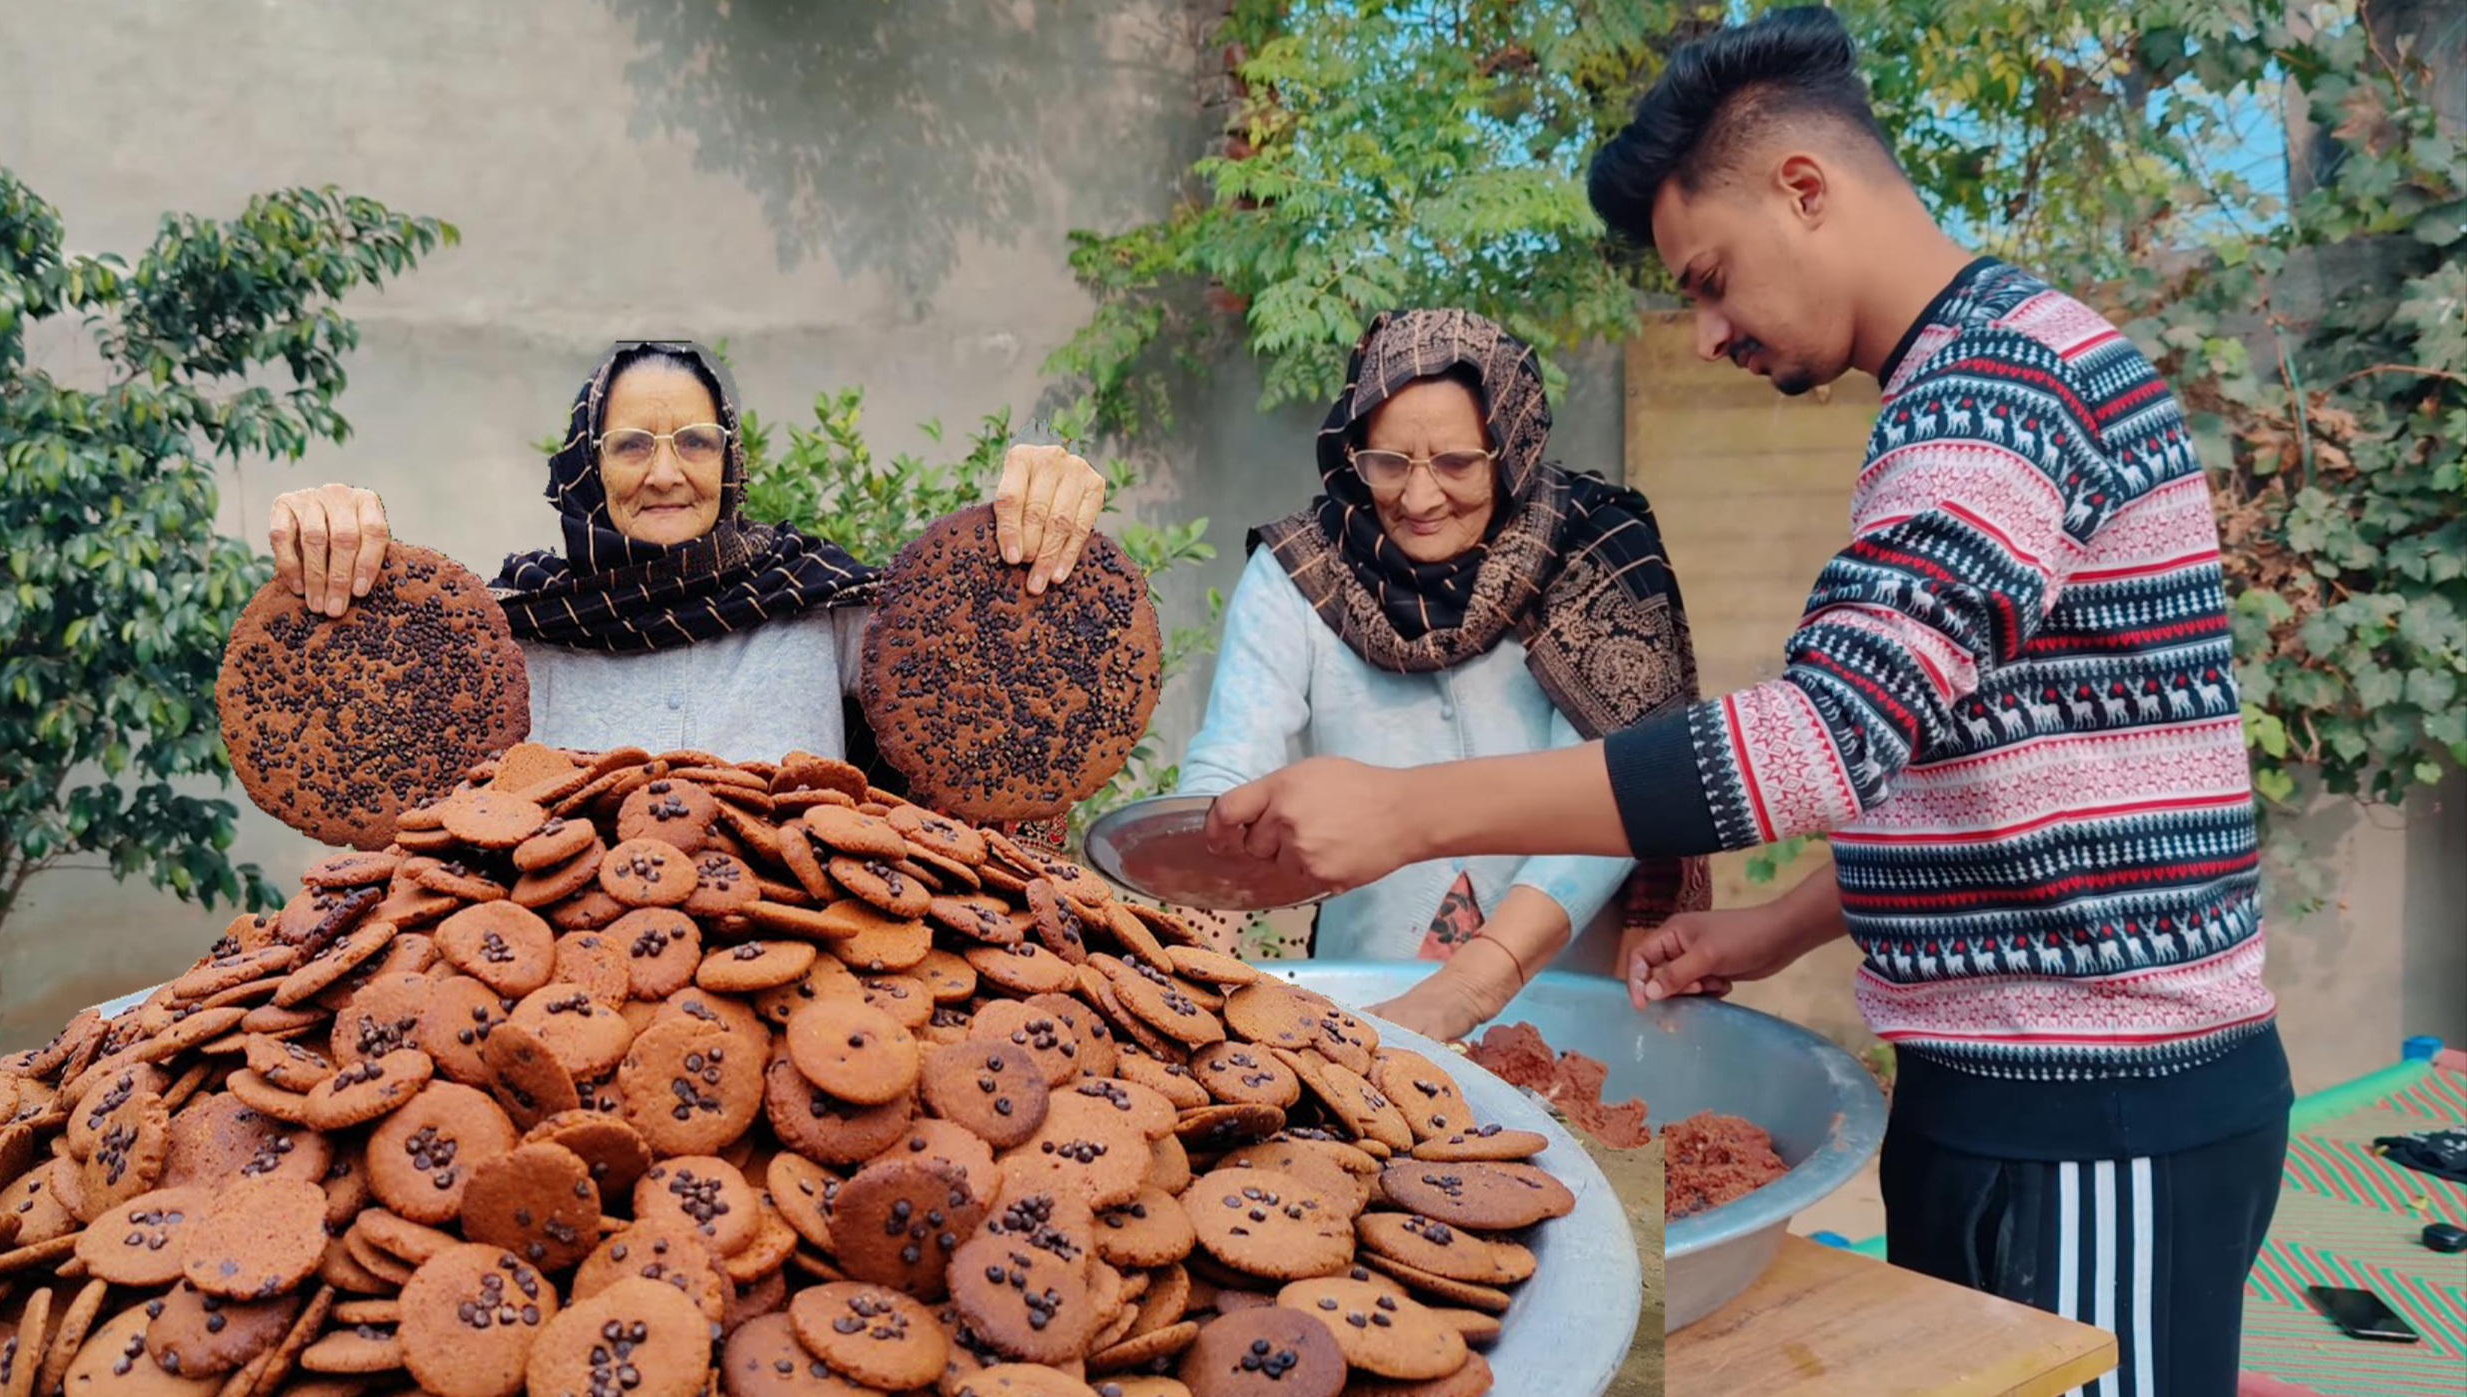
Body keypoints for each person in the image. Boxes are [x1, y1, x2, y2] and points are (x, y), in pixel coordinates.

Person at [1205, 10, 2289, 1392]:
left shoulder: (1993, 393)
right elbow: (1990, 767)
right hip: (2020, 1095)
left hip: (2096, 1108)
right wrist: (1771, 928)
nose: (1707, 332)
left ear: (1804, 187)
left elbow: (1820, 738)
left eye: (1710, 280)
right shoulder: (1973, 379)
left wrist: (1411, 814)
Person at [1175, 307, 1705, 1043]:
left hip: (1567, 1002)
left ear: (1509, 446)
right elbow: (1232, 758)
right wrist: (1185, 921)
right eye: (1388, 463)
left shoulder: (1596, 554)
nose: (1419, 499)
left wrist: (1472, 984)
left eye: (1457, 463)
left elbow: (1618, 786)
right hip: (1361, 1012)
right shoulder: (1299, 569)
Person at [269, 340, 1106, 800]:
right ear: (584, 468)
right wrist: (335, 540)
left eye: (695, 441)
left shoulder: (818, 606)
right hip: (572, 1013)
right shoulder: (516, 635)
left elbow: (992, 655)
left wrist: (1041, 512)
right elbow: (357, 701)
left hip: (807, 990)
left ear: (729, 459)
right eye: (631, 443)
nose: (666, 473)